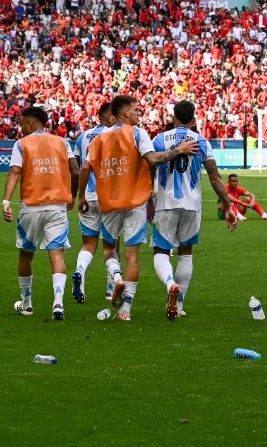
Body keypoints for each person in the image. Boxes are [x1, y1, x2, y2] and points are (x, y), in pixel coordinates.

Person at [77, 95, 197, 321]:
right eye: (136, 110)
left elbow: (84, 169)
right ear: (125, 113)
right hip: (136, 203)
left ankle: (116, 277)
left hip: (109, 203)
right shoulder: (138, 134)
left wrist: (81, 196)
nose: (139, 113)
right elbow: (154, 159)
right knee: (133, 256)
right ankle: (126, 309)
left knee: (109, 249)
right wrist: (178, 150)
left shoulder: (97, 141)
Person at [151, 101, 237, 320]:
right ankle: (178, 307)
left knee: (161, 251)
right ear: (193, 119)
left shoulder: (159, 140)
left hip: (165, 202)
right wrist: (228, 206)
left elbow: (148, 167)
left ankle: (171, 284)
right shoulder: (202, 141)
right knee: (186, 253)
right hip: (192, 204)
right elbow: (216, 178)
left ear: (174, 117)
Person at [2, 106, 79, 320]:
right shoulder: (62, 142)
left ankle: (27, 303)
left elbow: (14, 171)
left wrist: (6, 201)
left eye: (21, 123)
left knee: (26, 254)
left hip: (31, 207)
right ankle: (58, 303)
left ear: (29, 123)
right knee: (57, 254)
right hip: (57, 207)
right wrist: (72, 195)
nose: (21, 127)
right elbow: (75, 170)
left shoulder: (22, 144)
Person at [71, 102, 115, 303]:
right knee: (111, 246)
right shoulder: (114, 135)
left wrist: (77, 195)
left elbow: (78, 168)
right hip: (109, 196)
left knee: (89, 244)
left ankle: (80, 270)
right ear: (108, 116)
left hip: (87, 195)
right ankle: (110, 288)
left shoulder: (82, 137)